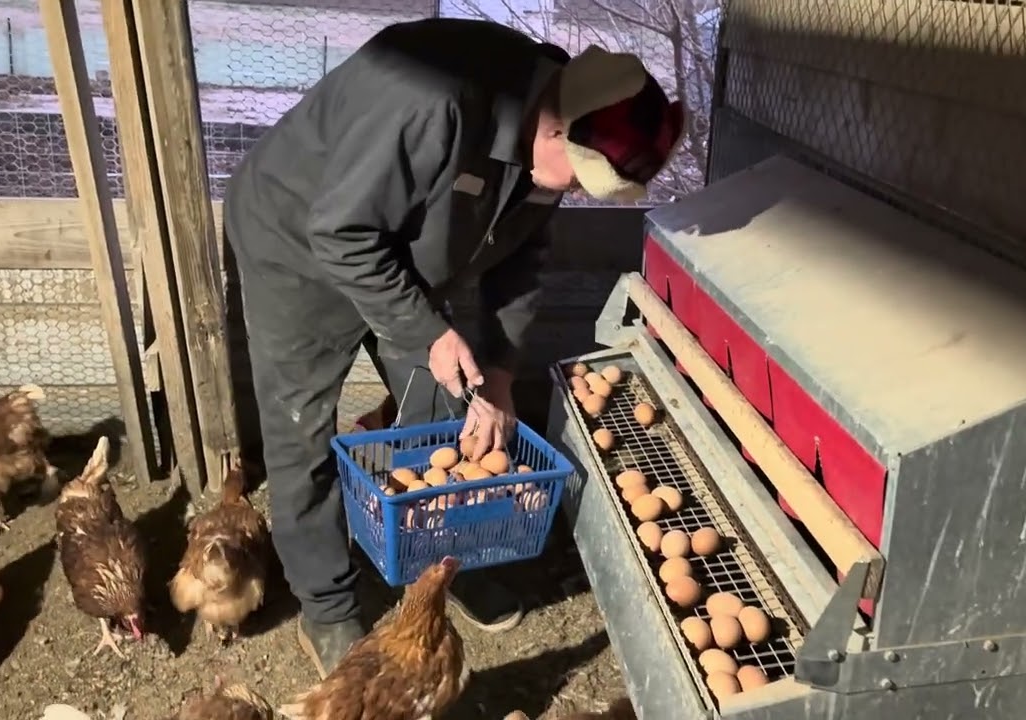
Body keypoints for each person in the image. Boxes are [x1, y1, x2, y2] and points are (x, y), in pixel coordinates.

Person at [223, 16, 685, 678]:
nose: (574, 191)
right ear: (553, 128)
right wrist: (426, 331)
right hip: (301, 240)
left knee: (451, 402)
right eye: (578, 178)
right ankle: (326, 605)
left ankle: (436, 567)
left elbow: (521, 263)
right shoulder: (433, 100)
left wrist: (497, 373)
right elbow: (343, 232)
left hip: (397, 250)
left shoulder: (563, 130)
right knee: (301, 423)